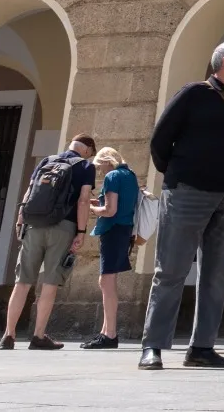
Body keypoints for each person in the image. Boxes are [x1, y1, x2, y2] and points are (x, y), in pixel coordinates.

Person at [140, 41, 224, 370]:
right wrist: (181, 176)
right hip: (188, 193)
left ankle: (202, 347)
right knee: (171, 271)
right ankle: (153, 346)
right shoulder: (193, 94)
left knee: (216, 274)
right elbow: (160, 141)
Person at [0, 134, 96, 350]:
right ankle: (38, 335)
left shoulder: (47, 161)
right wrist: (81, 231)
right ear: (88, 150)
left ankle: (9, 334)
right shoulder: (85, 167)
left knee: (22, 281)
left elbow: (29, 191)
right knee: (50, 283)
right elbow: (82, 201)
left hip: (34, 225)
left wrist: (20, 221)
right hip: (63, 227)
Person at [82, 146, 139, 349]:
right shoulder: (130, 175)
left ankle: (110, 333)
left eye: (100, 165)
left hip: (113, 229)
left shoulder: (112, 176)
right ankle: (106, 332)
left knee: (106, 281)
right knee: (106, 280)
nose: (99, 170)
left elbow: (109, 210)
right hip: (125, 230)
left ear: (107, 161)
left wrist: (88, 207)